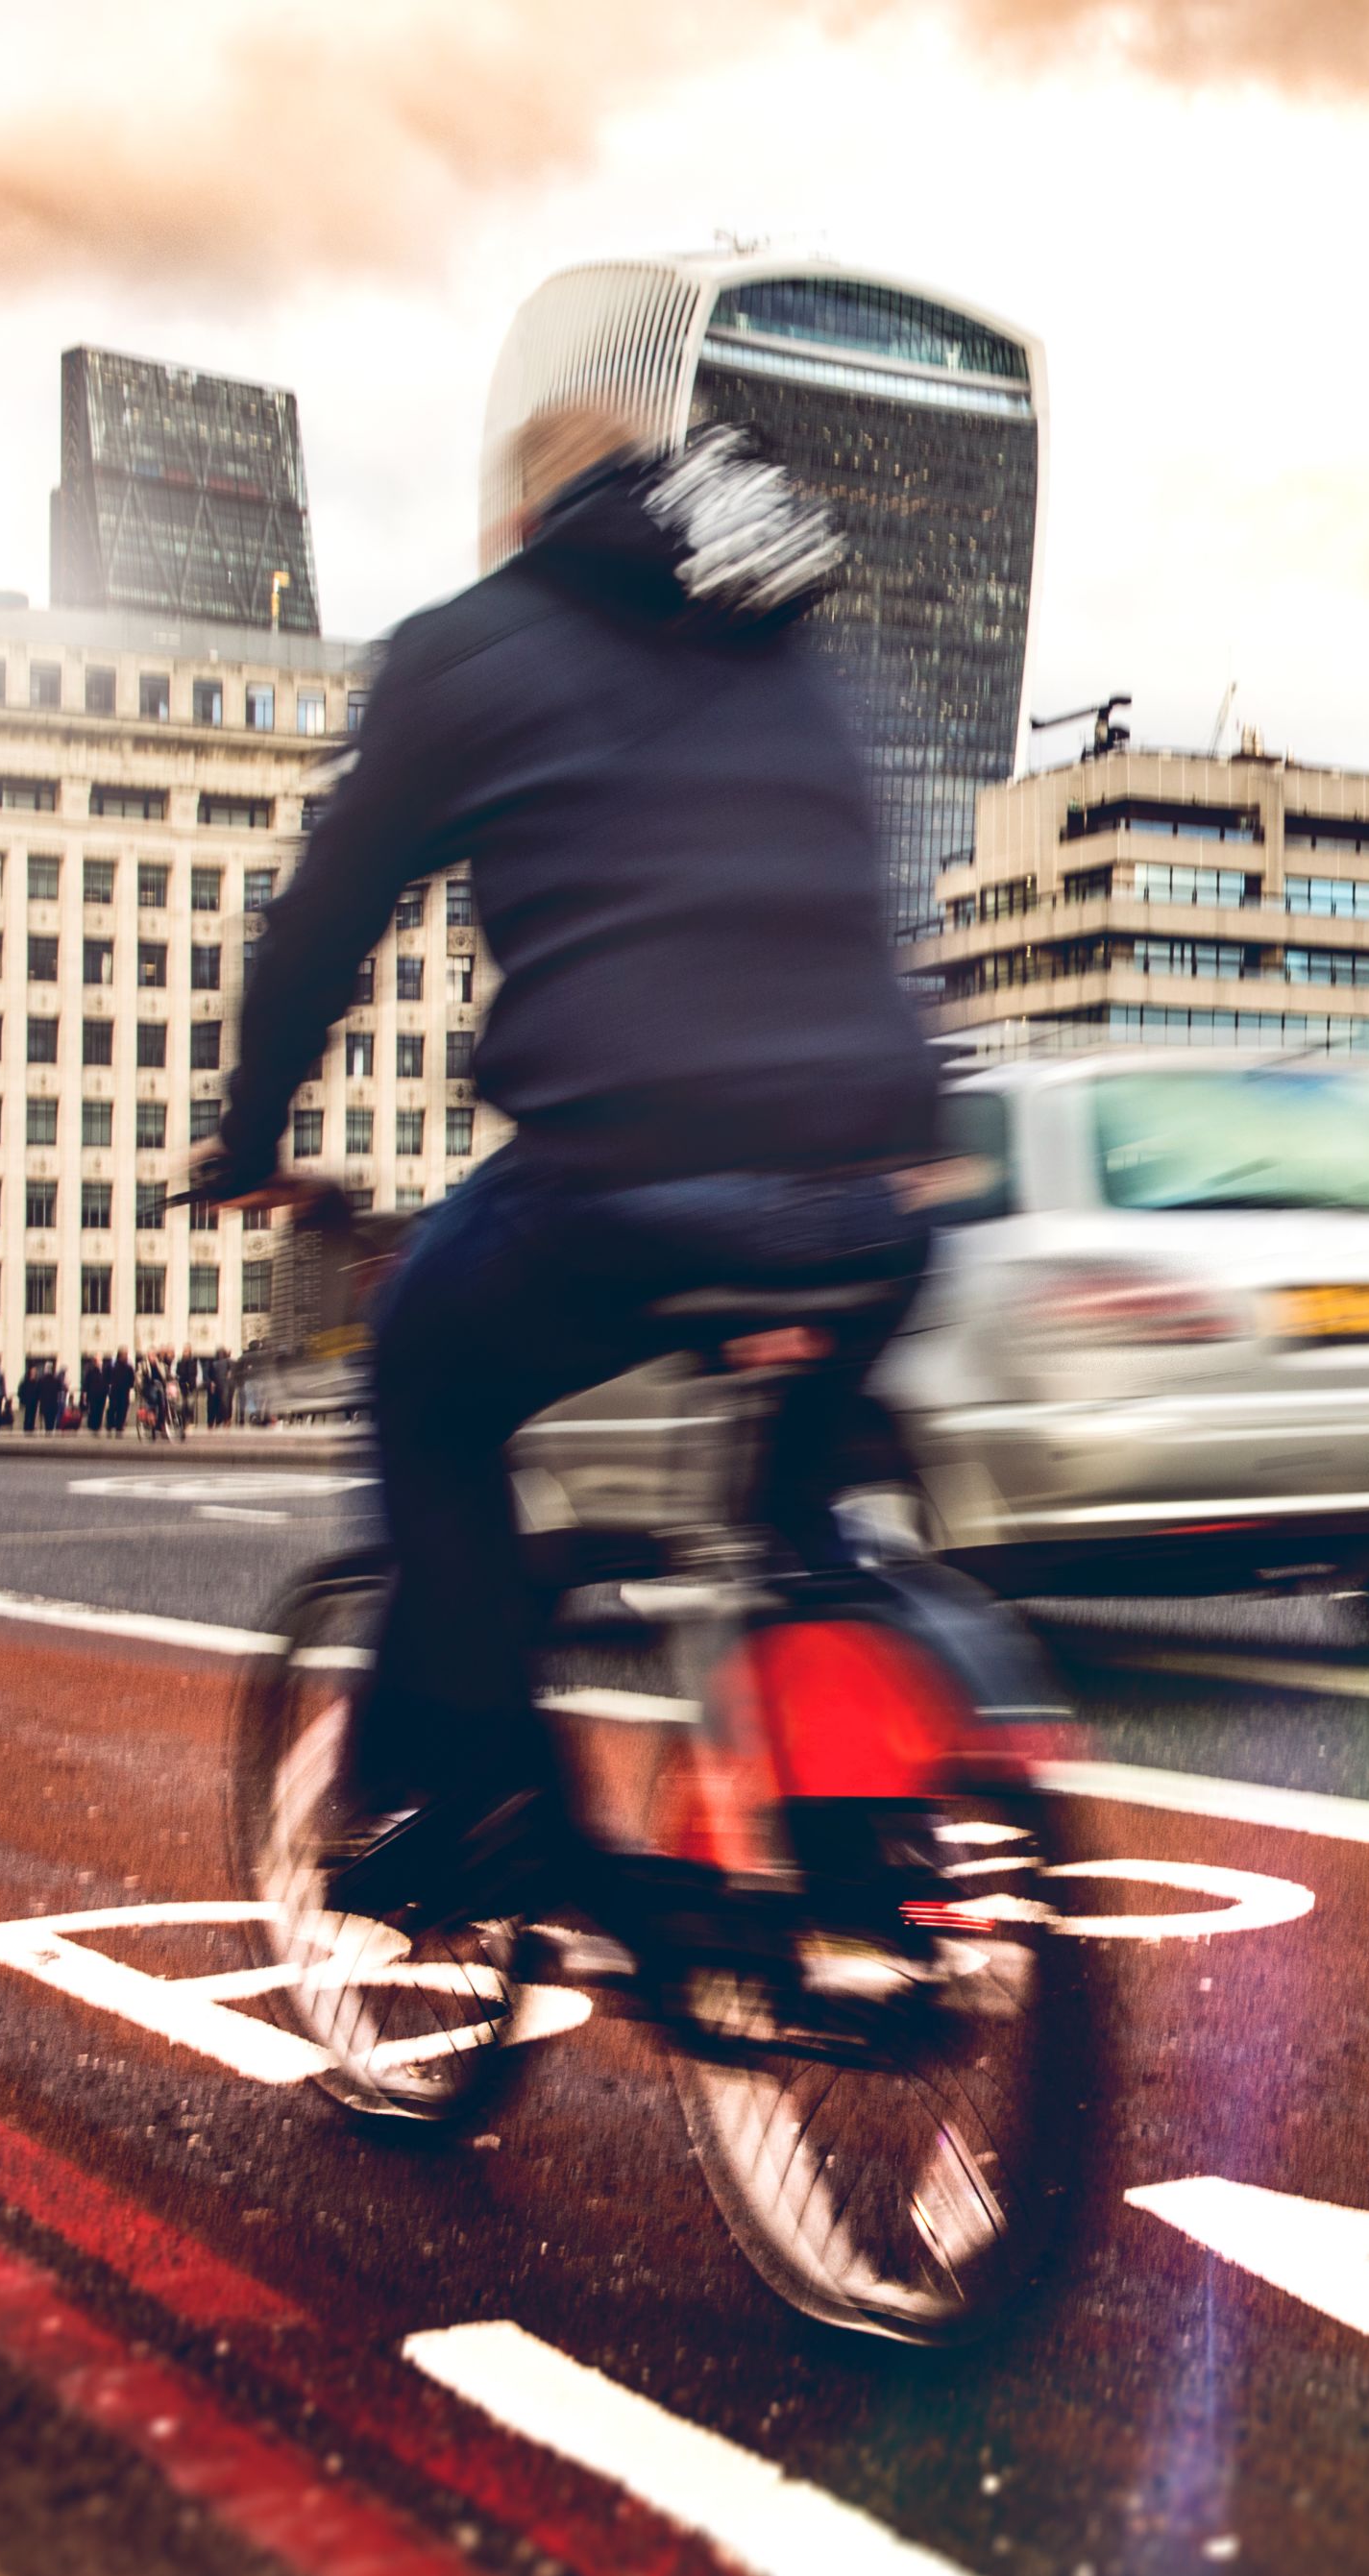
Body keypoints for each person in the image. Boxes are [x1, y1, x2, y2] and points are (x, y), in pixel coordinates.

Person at [195, 390, 945, 1912]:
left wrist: (248, 1131)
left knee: (427, 1372)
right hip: (871, 1193)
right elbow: (868, 895)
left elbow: (328, 915)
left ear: (522, 522)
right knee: (795, 1518)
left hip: (627, 1179)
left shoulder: (474, 643)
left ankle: (483, 1807)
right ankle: (865, 1849)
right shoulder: (789, 642)